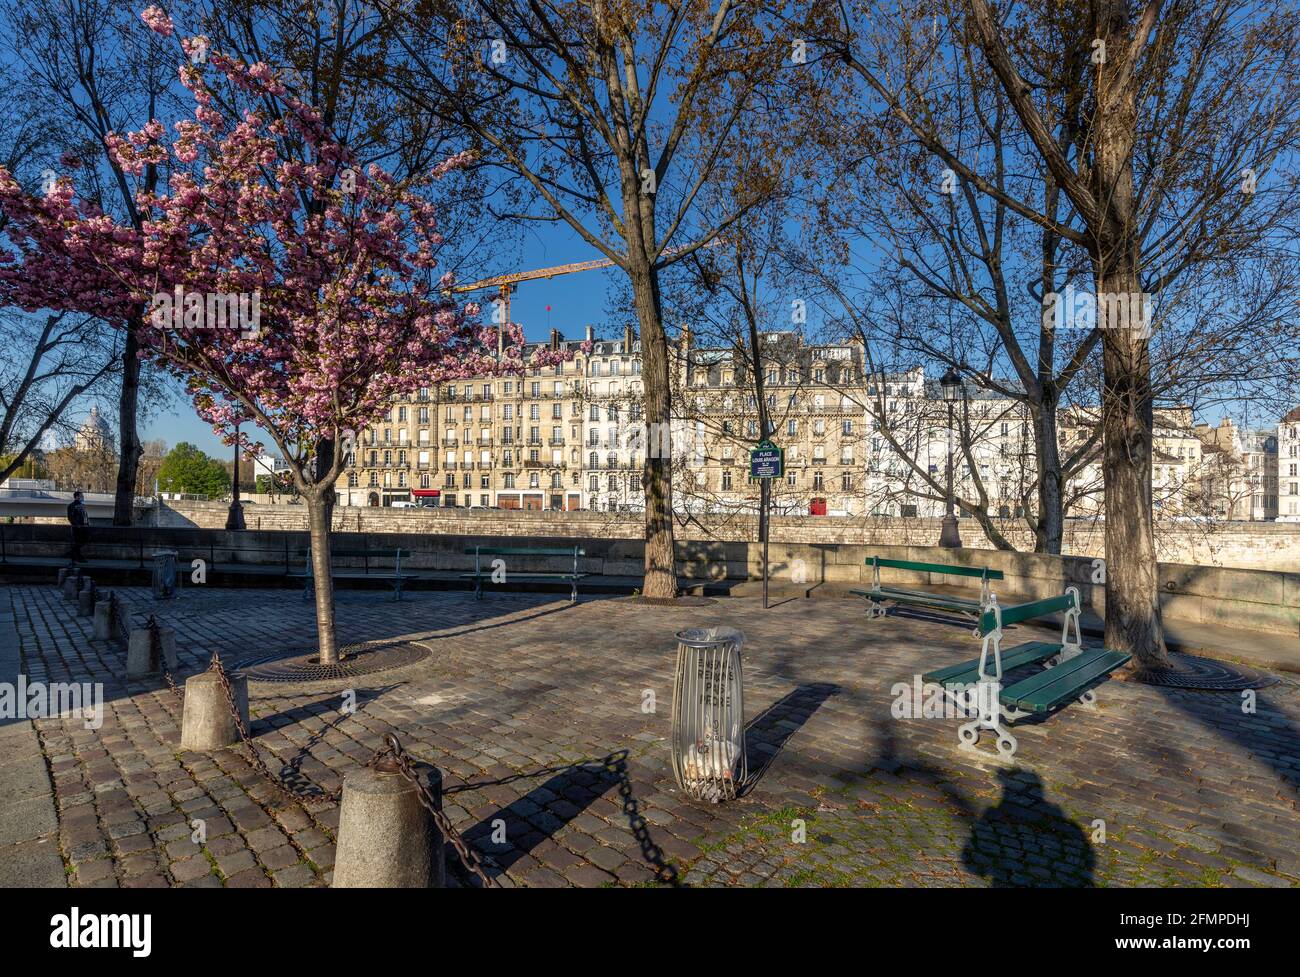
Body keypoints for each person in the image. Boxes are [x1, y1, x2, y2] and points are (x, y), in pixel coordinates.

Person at [67, 490, 89, 564]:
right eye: (81, 496)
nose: (83, 497)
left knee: (83, 541)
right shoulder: (71, 506)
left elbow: (85, 516)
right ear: (77, 497)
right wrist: (77, 525)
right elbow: (70, 517)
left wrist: (87, 524)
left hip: (84, 526)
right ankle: (78, 557)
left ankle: (74, 555)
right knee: (78, 542)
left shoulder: (83, 505)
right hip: (77, 527)